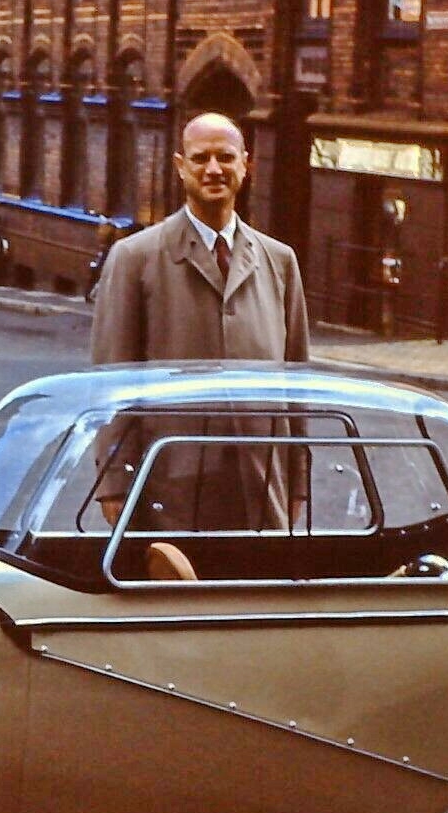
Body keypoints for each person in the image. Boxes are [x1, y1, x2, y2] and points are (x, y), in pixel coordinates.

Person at [89, 111, 310, 532]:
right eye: (200, 158)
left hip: (262, 483)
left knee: (255, 594)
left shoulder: (279, 261)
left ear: (247, 165)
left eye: (225, 158)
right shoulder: (136, 257)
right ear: (180, 167)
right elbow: (112, 381)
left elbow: (296, 383)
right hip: (170, 485)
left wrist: (297, 481)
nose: (213, 169)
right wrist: (114, 483)